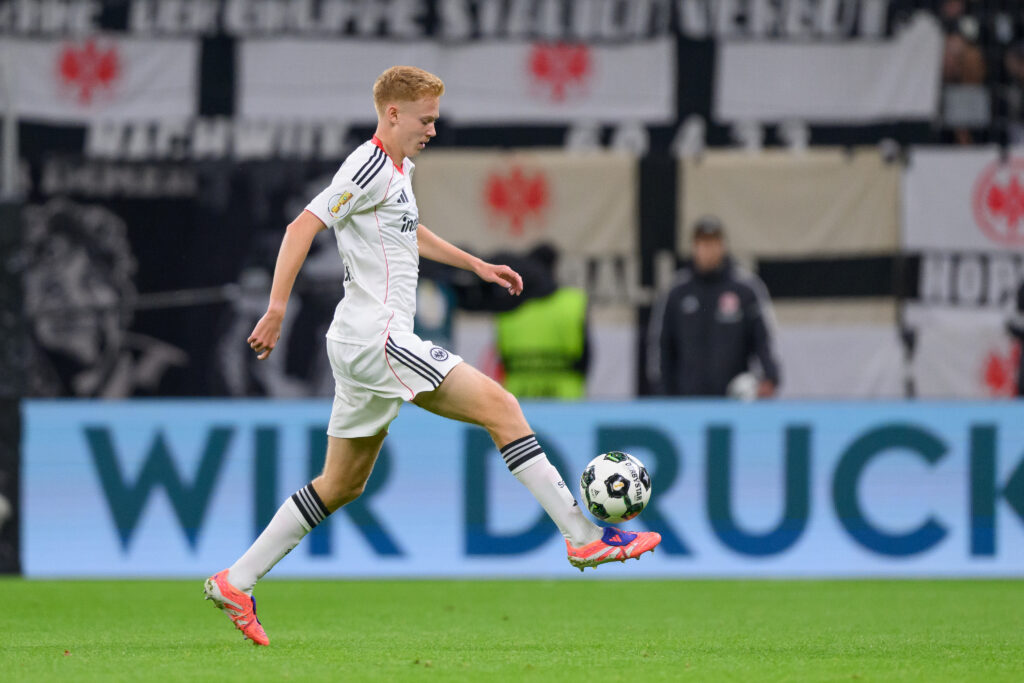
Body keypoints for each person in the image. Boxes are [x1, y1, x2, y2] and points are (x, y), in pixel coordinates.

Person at [203, 66, 661, 646]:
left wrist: (474, 263)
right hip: (380, 337)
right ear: (392, 114)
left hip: (357, 341)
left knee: (341, 484)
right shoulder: (366, 164)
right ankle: (580, 536)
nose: (433, 129)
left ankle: (235, 580)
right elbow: (301, 227)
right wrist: (276, 309)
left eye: (436, 120)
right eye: (426, 120)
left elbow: (407, 231)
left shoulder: (395, 173)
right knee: (502, 407)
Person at [647, 216, 781, 398]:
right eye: (703, 243)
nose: (708, 250)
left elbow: (764, 339)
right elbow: (661, 345)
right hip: (687, 400)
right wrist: (663, 392)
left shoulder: (745, 289)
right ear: (694, 247)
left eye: (713, 243)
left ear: (722, 245)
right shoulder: (677, 291)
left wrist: (770, 377)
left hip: (733, 398)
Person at [495, 244, 589, 399]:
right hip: (565, 398)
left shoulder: (508, 303)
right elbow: (586, 356)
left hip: (519, 396)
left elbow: (501, 355)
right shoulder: (574, 302)